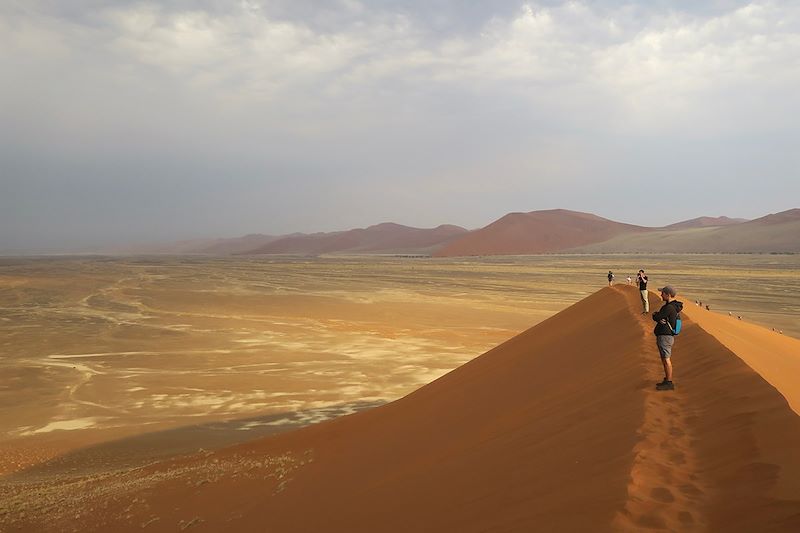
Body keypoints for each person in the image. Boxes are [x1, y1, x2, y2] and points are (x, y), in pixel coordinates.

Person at [652, 285, 683, 391]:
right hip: (664, 336)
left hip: (665, 337)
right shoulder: (672, 306)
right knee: (665, 359)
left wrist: (656, 315)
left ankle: (669, 382)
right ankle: (667, 380)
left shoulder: (669, 307)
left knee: (666, 359)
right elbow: (658, 317)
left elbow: (657, 316)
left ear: (668, 295)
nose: (661, 294)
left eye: (663, 293)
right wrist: (657, 316)